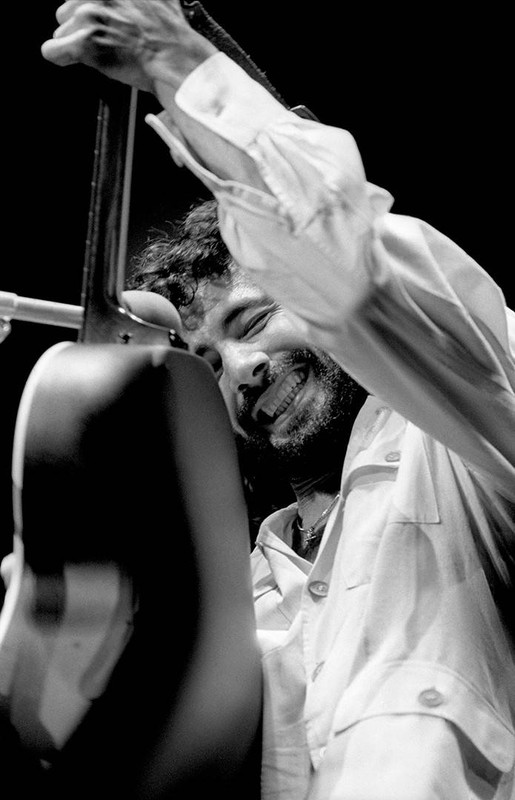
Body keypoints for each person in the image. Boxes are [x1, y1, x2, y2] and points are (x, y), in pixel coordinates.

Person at [40, 2, 515, 799]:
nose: (243, 369)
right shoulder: (235, 591)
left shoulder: (468, 435)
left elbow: (354, 268)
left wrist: (183, 69)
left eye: (252, 319)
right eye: (209, 364)